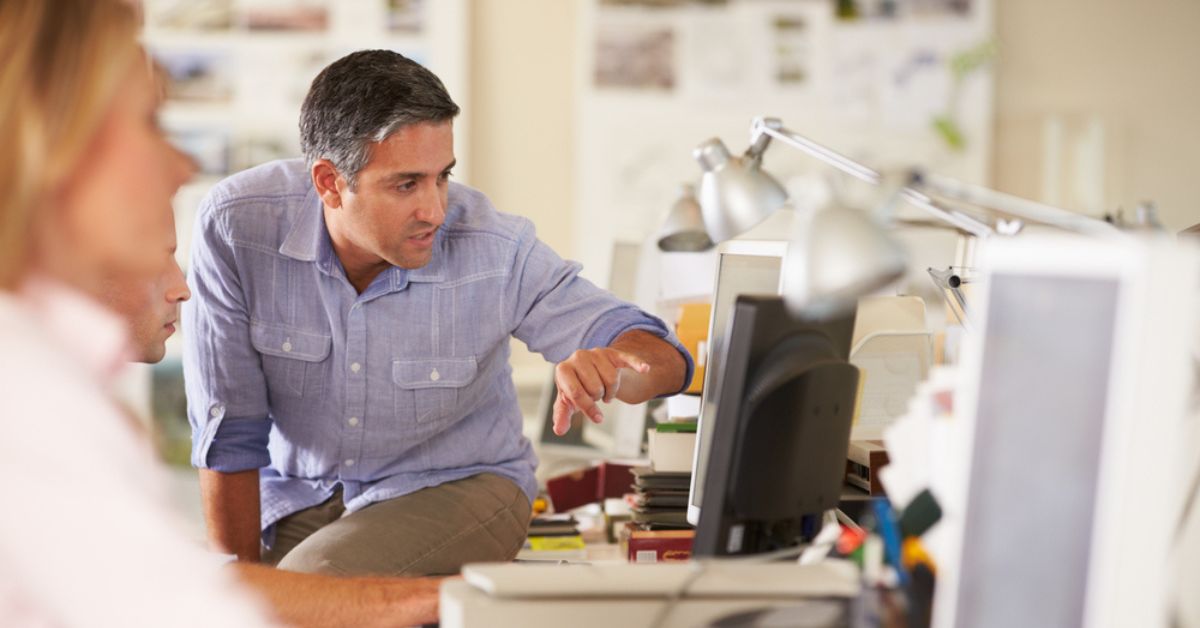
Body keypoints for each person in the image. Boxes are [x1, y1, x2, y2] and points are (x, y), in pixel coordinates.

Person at [0, 1, 437, 625]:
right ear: (50, 139)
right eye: (149, 123)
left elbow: (171, 585)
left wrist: (431, 598)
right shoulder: (27, 401)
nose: (183, 165)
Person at [185, 49, 694, 576]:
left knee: (309, 589)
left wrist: (613, 366)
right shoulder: (236, 228)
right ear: (329, 182)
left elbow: (663, 356)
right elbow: (229, 429)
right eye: (406, 184)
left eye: (442, 177)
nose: (434, 210)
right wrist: (237, 585)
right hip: (298, 498)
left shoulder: (495, 246)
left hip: (459, 487)